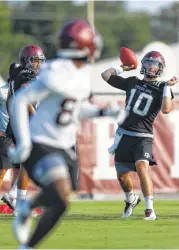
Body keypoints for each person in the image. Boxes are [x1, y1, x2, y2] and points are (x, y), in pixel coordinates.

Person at [7, 20, 124, 249]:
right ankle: (26, 240)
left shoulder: (80, 73)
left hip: (64, 144)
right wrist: (23, 144)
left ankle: (26, 210)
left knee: (62, 201)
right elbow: (20, 100)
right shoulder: (55, 71)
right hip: (40, 141)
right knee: (60, 195)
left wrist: (103, 111)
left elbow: (72, 109)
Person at [101, 51, 178, 220]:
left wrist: (167, 86)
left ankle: (149, 210)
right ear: (143, 65)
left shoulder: (162, 88)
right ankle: (131, 199)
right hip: (124, 135)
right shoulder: (132, 82)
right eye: (148, 63)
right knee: (122, 175)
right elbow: (105, 75)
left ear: (160, 69)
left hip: (144, 136)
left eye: (155, 65)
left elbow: (166, 109)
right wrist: (122, 68)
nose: (151, 67)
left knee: (142, 166)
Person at [1, 45, 45, 215]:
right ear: (27, 60)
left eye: (40, 61)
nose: (38, 65)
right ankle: (17, 199)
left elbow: (10, 100)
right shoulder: (27, 75)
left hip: (16, 124)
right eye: (35, 61)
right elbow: (26, 96)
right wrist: (36, 116)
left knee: (25, 164)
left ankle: (14, 196)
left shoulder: (14, 76)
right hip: (26, 124)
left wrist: (12, 117)